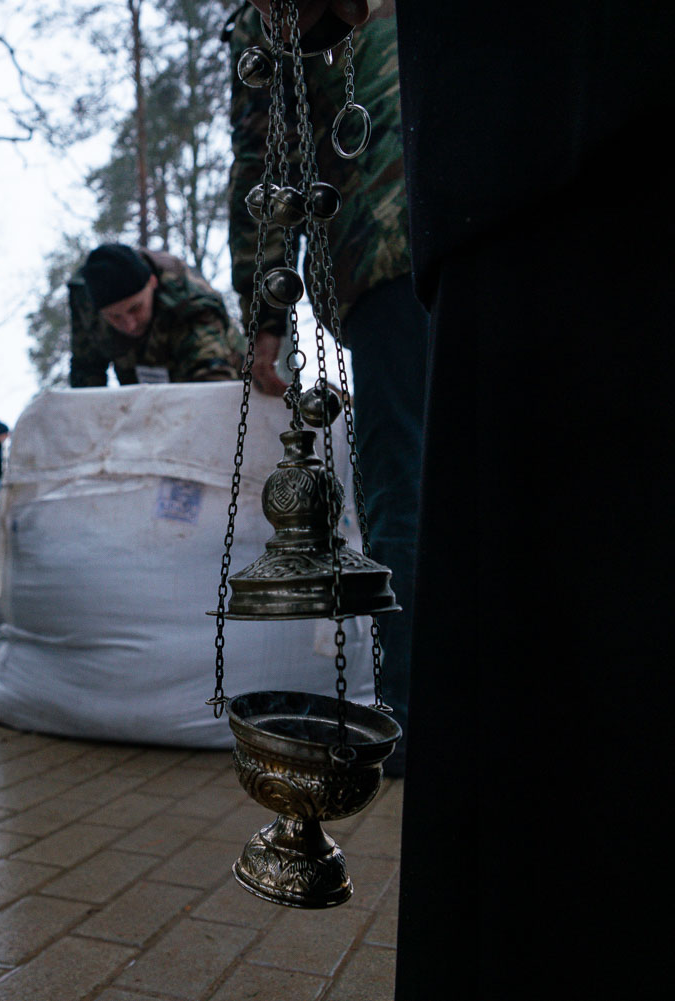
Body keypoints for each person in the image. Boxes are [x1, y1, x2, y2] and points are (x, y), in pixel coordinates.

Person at [253, 1, 675, 997]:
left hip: (491, 186)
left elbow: (283, 126)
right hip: (546, 153)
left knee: (439, 502)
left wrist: (270, 305)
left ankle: (406, 703)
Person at [226, 1, 424, 774]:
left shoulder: (276, 11)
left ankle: (412, 711)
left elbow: (269, 161)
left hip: (389, 233)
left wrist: (267, 314)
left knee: (400, 483)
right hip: (501, 208)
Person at [68, 243, 243, 388]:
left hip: (227, 379)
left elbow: (213, 383)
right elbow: (87, 370)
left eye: (135, 308)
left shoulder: (190, 300)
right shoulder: (85, 302)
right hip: (139, 384)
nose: (130, 325)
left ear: (152, 282)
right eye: (115, 317)